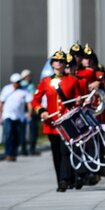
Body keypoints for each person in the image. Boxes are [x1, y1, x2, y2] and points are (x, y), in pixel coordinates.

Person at [32, 50, 85, 192]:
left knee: (65, 151)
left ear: (65, 64)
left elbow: (78, 98)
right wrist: (42, 111)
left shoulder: (72, 80)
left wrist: (79, 101)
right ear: (52, 64)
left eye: (61, 61)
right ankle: (61, 180)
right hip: (52, 124)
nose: (58, 63)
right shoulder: (45, 81)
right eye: (56, 61)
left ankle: (64, 180)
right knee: (56, 153)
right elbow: (35, 100)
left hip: (66, 123)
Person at [0, 73, 31, 162]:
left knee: (16, 136)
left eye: (18, 82)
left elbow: (29, 103)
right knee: (8, 134)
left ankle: (14, 153)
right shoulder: (6, 89)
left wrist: (29, 113)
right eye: (15, 82)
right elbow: (1, 102)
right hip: (8, 115)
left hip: (19, 117)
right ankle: (8, 153)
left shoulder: (24, 91)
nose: (16, 84)